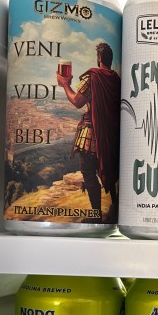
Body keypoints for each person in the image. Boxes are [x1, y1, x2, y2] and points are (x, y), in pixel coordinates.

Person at [56, 42, 120, 222]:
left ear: (99, 57)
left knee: (89, 172)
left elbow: (77, 101)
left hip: (92, 132)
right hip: (111, 134)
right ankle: (114, 207)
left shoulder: (93, 77)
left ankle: (96, 215)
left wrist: (65, 84)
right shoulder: (116, 79)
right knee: (108, 168)